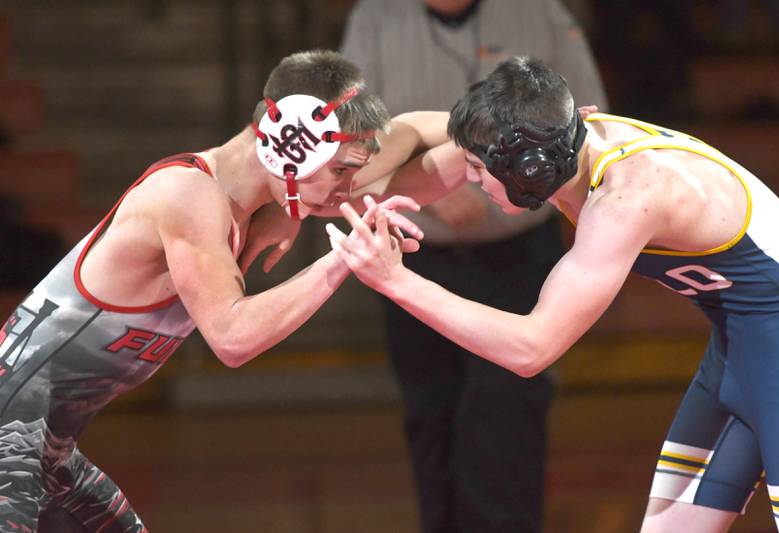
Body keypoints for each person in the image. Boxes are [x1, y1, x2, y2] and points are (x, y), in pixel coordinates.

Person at [328, 55, 779, 532]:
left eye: (475, 167)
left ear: (527, 169)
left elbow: (531, 349)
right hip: (745, 351)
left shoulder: (629, 198)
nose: (467, 179)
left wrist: (396, 281)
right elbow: (406, 141)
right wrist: (298, 192)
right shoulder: (554, 137)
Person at [0, 49, 449, 533]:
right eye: (341, 172)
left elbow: (413, 131)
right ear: (289, 147)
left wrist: (479, 132)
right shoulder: (187, 197)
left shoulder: (249, 202)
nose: (348, 189)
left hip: (43, 454)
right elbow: (232, 339)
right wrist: (344, 257)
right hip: (12, 449)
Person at [340, 2, 607, 531]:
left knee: (508, 414)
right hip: (421, 247)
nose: (477, 175)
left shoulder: (539, 13)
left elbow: (590, 127)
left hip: (517, 254)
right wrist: (433, 192)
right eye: (473, 166)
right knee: (430, 415)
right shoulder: (376, 17)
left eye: (478, 167)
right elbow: (354, 144)